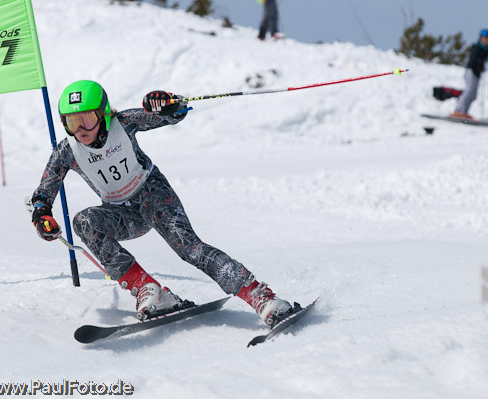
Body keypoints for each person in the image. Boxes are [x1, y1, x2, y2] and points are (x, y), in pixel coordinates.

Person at [30, 80, 294, 326]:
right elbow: (43, 192)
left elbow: (173, 115)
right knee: (83, 222)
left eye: (87, 119)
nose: (81, 130)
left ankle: (261, 296)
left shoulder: (123, 123)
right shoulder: (67, 150)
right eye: (72, 122)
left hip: (153, 195)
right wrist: (42, 215)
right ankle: (149, 290)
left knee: (189, 249)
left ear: (104, 113)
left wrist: (165, 103)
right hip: (122, 214)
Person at [452, 29, 488, 119]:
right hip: (471, 71)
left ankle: (464, 112)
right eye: (484, 38)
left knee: (473, 94)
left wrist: (481, 68)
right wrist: (480, 67)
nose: (486, 40)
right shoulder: (477, 47)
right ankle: (459, 110)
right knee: (469, 91)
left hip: (477, 73)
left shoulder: (486, 49)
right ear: (481, 38)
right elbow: (474, 60)